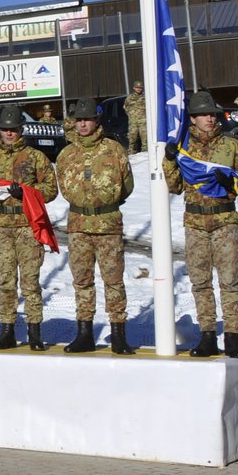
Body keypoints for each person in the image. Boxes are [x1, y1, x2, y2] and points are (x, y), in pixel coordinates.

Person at [164, 89, 238, 358]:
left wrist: (230, 181)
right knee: (200, 282)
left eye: (212, 114)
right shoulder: (184, 148)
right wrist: (170, 160)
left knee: (230, 281)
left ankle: (232, 336)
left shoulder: (231, 146)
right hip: (195, 222)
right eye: (202, 114)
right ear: (192, 118)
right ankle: (207, 335)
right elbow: (173, 186)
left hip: (224, 221)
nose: (209, 118)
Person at [0, 104, 58, 351]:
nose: (9, 133)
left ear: (21, 129)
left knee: (30, 282)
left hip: (27, 226)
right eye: (5, 129)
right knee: (6, 282)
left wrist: (27, 192)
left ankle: (34, 332)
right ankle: (6, 330)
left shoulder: (35, 157)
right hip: (1, 226)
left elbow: (51, 190)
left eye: (13, 129)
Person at [55, 97, 136, 354]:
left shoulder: (114, 150)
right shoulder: (66, 154)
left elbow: (127, 185)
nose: (83, 124)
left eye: (87, 119)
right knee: (82, 281)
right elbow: (63, 187)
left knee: (113, 280)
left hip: (108, 224)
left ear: (96, 121)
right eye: (79, 120)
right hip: (78, 225)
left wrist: (105, 204)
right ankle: (84, 333)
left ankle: (118, 333)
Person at [123, 80, 147, 154]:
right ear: (134, 88)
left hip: (143, 122)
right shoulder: (129, 98)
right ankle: (132, 154)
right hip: (133, 123)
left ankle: (145, 154)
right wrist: (131, 115)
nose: (138, 89)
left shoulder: (145, 97)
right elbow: (125, 107)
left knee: (145, 140)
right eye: (137, 87)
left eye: (140, 87)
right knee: (132, 139)